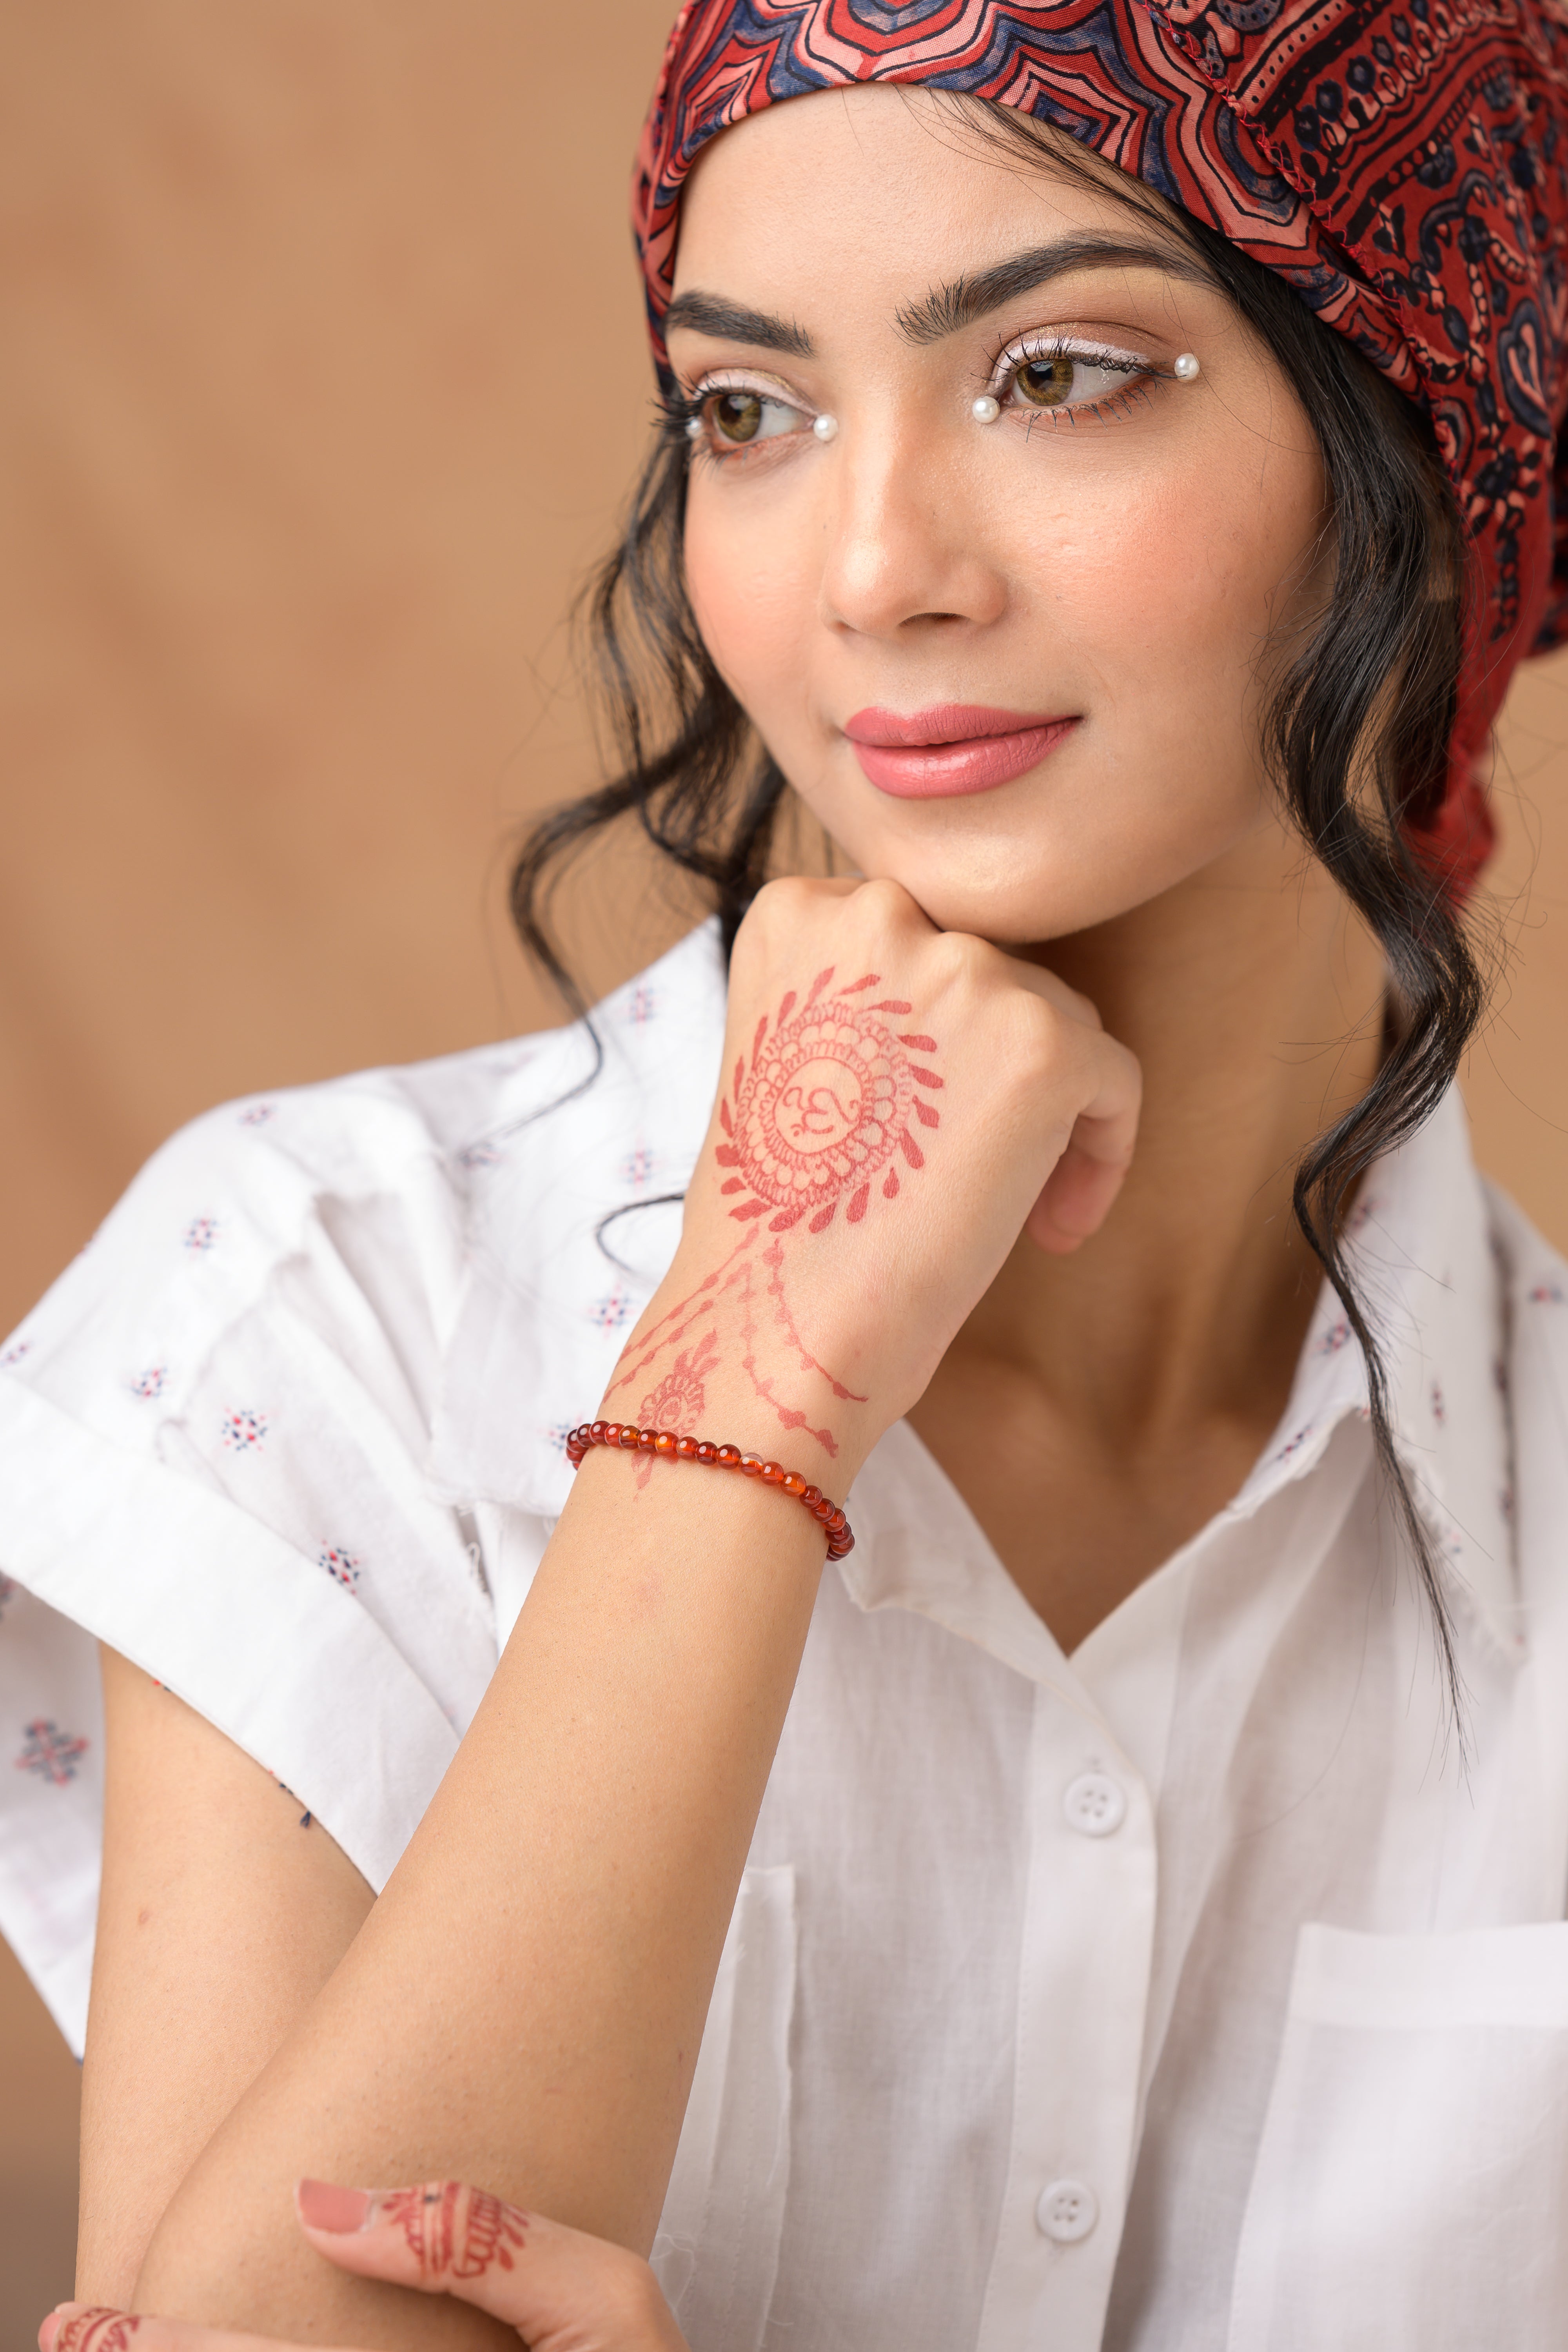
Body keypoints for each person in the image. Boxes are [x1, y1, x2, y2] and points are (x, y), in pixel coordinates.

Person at [5, 2, 1568, 2347]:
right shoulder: (318, 1317)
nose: (871, 570)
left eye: (1056, 374)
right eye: (752, 411)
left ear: (1436, 441)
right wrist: (753, 1376)